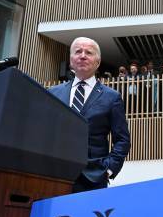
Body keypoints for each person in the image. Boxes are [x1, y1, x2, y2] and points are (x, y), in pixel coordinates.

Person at [49, 37, 131, 192]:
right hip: (55, 174)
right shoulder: (53, 93)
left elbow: (122, 139)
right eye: (78, 51)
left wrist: (109, 169)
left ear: (97, 62)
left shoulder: (111, 97)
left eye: (89, 52)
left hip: (94, 177)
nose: (83, 55)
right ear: (71, 60)